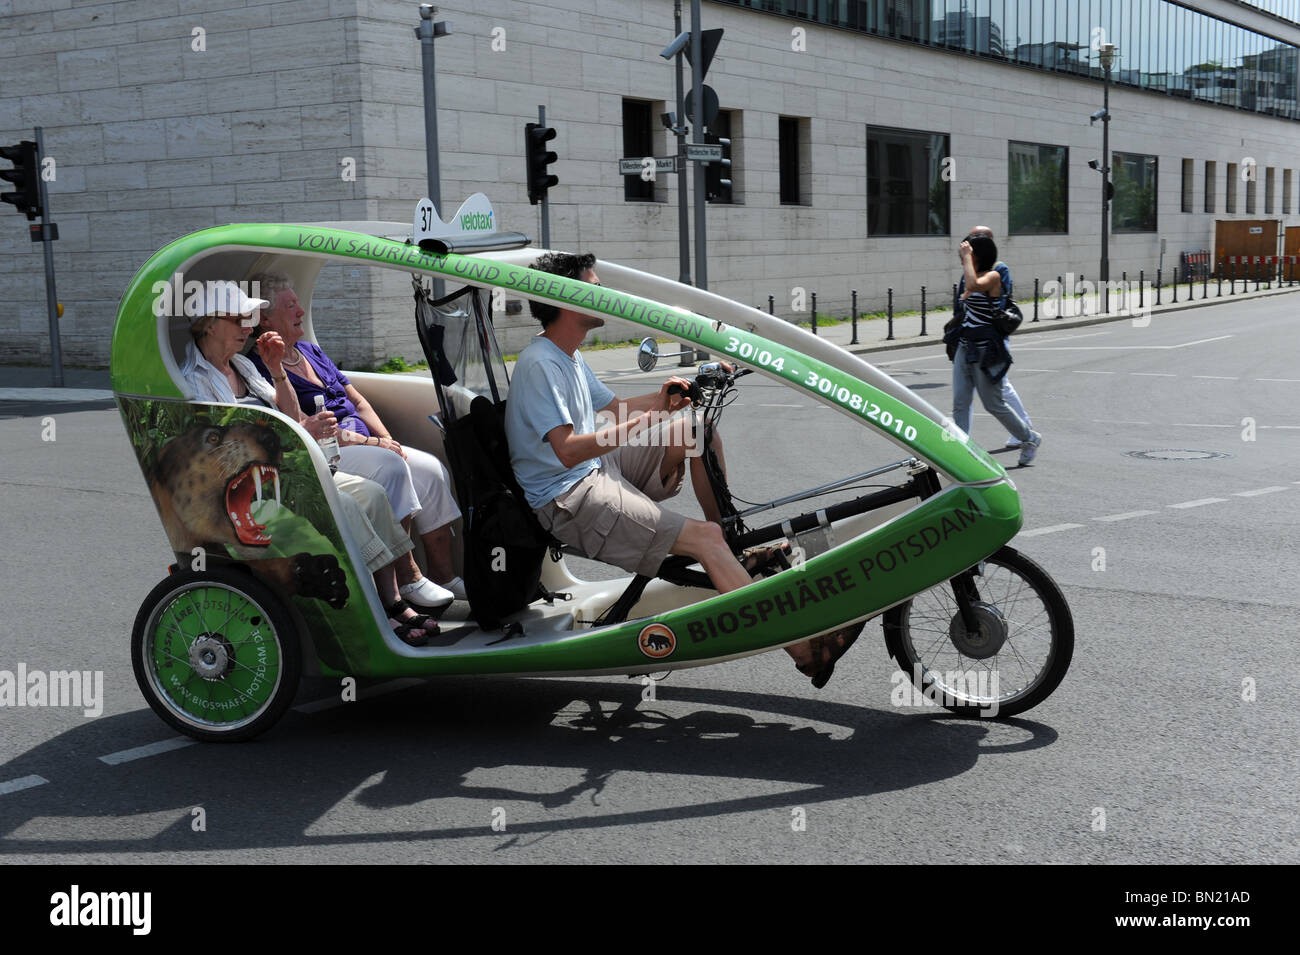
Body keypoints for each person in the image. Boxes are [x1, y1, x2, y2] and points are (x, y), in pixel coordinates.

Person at [503, 252, 863, 687]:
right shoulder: (540, 363)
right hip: (570, 497)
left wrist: (668, 397)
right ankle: (803, 650)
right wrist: (646, 422)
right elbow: (565, 451)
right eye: (593, 288)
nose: (602, 295)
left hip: (596, 469)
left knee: (696, 429)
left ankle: (733, 550)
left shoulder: (570, 356)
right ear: (566, 300)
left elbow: (614, 409)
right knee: (703, 540)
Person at [179, 281, 439, 646]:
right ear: (208, 325)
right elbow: (223, 455)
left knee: (373, 494)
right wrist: (303, 431)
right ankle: (377, 616)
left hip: (292, 470)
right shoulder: (196, 381)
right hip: (255, 489)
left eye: (249, 317)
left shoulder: (242, 366)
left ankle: (393, 601)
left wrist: (276, 370)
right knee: (345, 506)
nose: (248, 326)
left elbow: (291, 415)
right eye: (238, 318)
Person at [246, 272, 463, 610]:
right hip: (327, 452)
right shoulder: (261, 366)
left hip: (364, 443)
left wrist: (388, 439)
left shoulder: (310, 352)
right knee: (391, 467)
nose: (300, 311)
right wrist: (375, 445)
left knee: (431, 470)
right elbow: (303, 426)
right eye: (291, 306)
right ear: (265, 319)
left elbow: (358, 401)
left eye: (298, 303)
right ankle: (408, 578)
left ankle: (444, 575)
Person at [950, 234, 1042, 466]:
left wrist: (967, 258)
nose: (961, 257)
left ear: (978, 255)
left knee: (994, 404)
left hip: (987, 352)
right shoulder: (970, 274)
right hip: (965, 347)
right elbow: (966, 297)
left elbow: (972, 286)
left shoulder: (993, 276)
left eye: (968, 252)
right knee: (960, 403)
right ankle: (961, 451)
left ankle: (1029, 438)